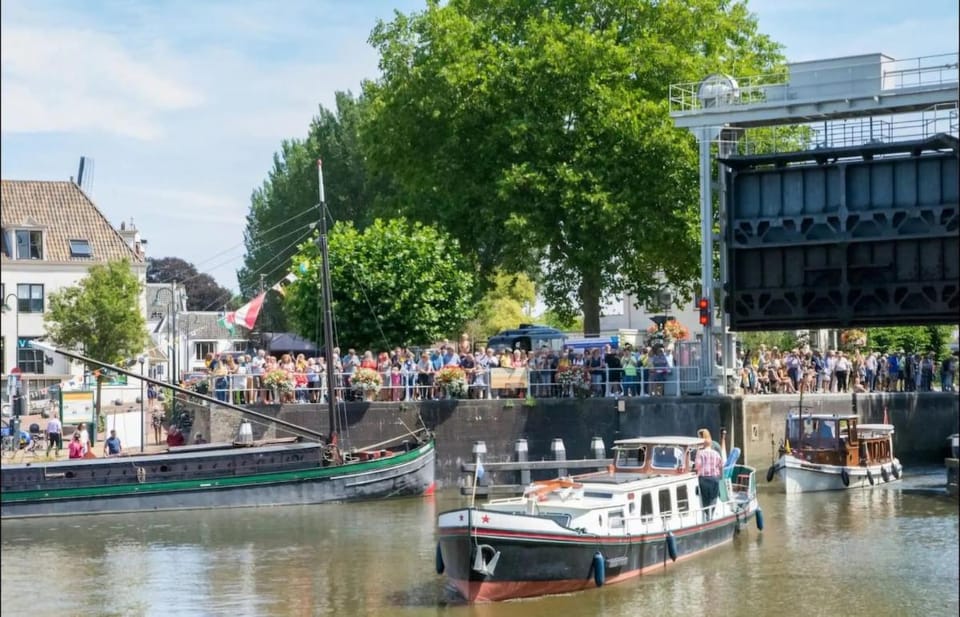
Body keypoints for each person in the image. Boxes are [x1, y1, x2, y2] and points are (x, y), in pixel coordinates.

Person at [695, 428, 724, 520]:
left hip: (703, 478)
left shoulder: (700, 453)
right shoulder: (716, 453)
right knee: (713, 498)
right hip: (714, 478)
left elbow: (697, 466)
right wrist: (720, 476)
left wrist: (697, 473)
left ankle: (707, 514)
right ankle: (711, 516)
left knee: (705, 497)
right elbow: (721, 465)